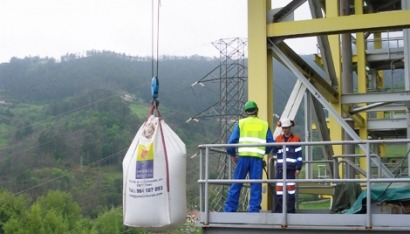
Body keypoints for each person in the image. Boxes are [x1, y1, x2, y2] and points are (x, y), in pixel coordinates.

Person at [224, 101, 274, 213]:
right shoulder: (264, 124)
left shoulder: (241, 123)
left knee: (237, 183)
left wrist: (233, 154)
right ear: (257, 110)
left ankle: (230, 210)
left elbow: (231, 143)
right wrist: (262, 151)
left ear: (246, 112)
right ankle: (254, 210)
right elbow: (271, 143)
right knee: (256, 185)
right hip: (257, 158)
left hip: (243, 158)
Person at [273, 117, 303, 213]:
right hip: (280, 168)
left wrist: (298, 168)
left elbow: (299, 155)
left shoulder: (296, 139)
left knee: (291, 190)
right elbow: (273, 152)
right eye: (283, 128)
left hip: (291, 168)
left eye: (286, 128)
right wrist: (275, 147)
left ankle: (290, 211)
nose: (284, 130)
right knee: (279, 190)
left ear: (290, 127)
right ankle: (279, 211)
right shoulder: (278, 139)